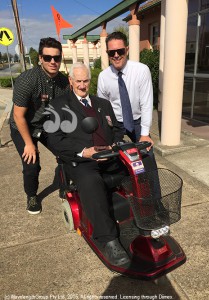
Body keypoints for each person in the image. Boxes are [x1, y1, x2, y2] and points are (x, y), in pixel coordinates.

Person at [47, 62, 131, 266]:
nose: (83, 86)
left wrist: (116, 143)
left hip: (109, 156)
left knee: (141, 164)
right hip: (82, 161)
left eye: (86, 81)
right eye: (79, 81)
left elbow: (119, 129)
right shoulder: (58, 106)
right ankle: (109, 240)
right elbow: (54, 140)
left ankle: (147, 214)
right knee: (91, 181)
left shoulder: (102, 103)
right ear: (70, 81)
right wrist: (84, 152)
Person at [10, 37, 70, 215]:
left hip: (46, 125)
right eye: (48, 57)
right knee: (31, 163)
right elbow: (18, 115)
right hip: (23, 126)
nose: (53, 61)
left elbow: (66, 110)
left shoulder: (64, 82)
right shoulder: (27, 80)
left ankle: (64, 185)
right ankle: (32, 195)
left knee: (67, 152)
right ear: (40, 59)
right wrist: (29, 144)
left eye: (56, 58)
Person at [97, 31, 157, 170]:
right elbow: (103, 109)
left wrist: (144, 134)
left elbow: (147, 104)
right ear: (107, 53)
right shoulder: (103, 77)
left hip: (137, 121)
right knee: (113, 160)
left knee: (147, 156)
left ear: (127, 50)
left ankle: (152, 191)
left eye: (120, 50)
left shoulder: (141, 70)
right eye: (112, 52)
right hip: (116, 122)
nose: (116, 55)